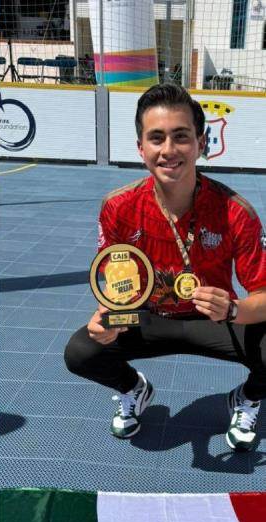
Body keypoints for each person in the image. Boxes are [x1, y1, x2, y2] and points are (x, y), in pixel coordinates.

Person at [63, 83, 264, 451]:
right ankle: (134, 389)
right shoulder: (118, 207)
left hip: (214, 319)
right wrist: (107, 319)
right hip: (146, 318)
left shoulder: (237, 211)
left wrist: (233, 308)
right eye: (157, 138)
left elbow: (265, 296)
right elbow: (114, 286)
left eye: (181, 137)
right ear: (141, 148)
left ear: (201, 144)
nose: (169, 150)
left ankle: (247, 397)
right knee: (82, 350)